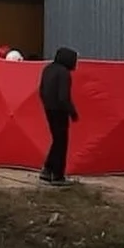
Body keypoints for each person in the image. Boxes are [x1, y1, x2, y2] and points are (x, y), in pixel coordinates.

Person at [38, 47, 78, 185]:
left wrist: (47, 105)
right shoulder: (64, 73)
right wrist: (72, 112)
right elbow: (63, 97)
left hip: (49, 109)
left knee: (57, 141)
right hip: (60, 111)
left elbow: (41, 90)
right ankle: (57, 175)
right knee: (61, 143)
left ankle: (48, 170)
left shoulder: (48, 69)